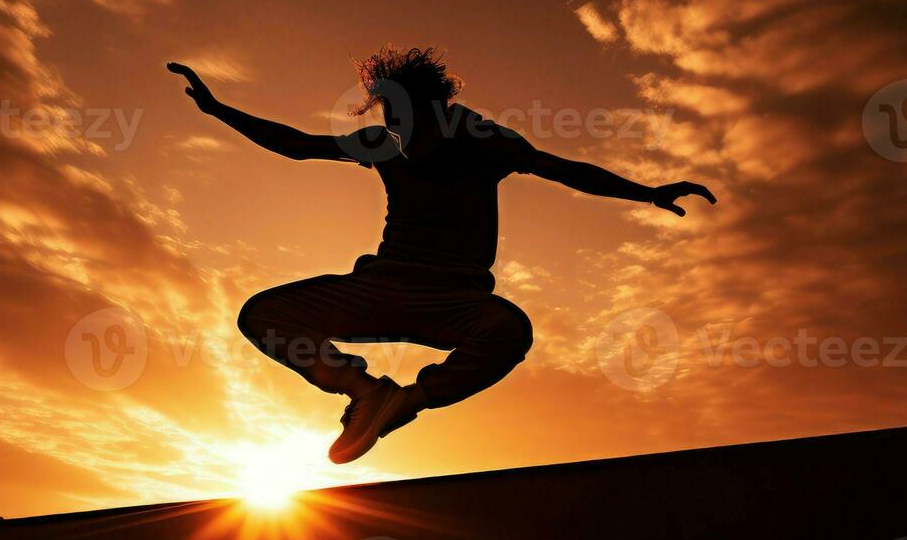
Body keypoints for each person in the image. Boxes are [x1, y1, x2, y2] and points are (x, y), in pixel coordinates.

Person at [167, 46, 715, 463]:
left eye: (408, 122)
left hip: (456, 298)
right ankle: (365, 392)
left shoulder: (486, 141)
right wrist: (218, 111)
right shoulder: (380, 145)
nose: (398, 135)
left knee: (510, 332)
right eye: (390, 121)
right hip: (382, 287)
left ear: (439, 111)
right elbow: (297, 145)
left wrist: (647, 192)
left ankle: (408, 402)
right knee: (263, 315)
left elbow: (566, 171)